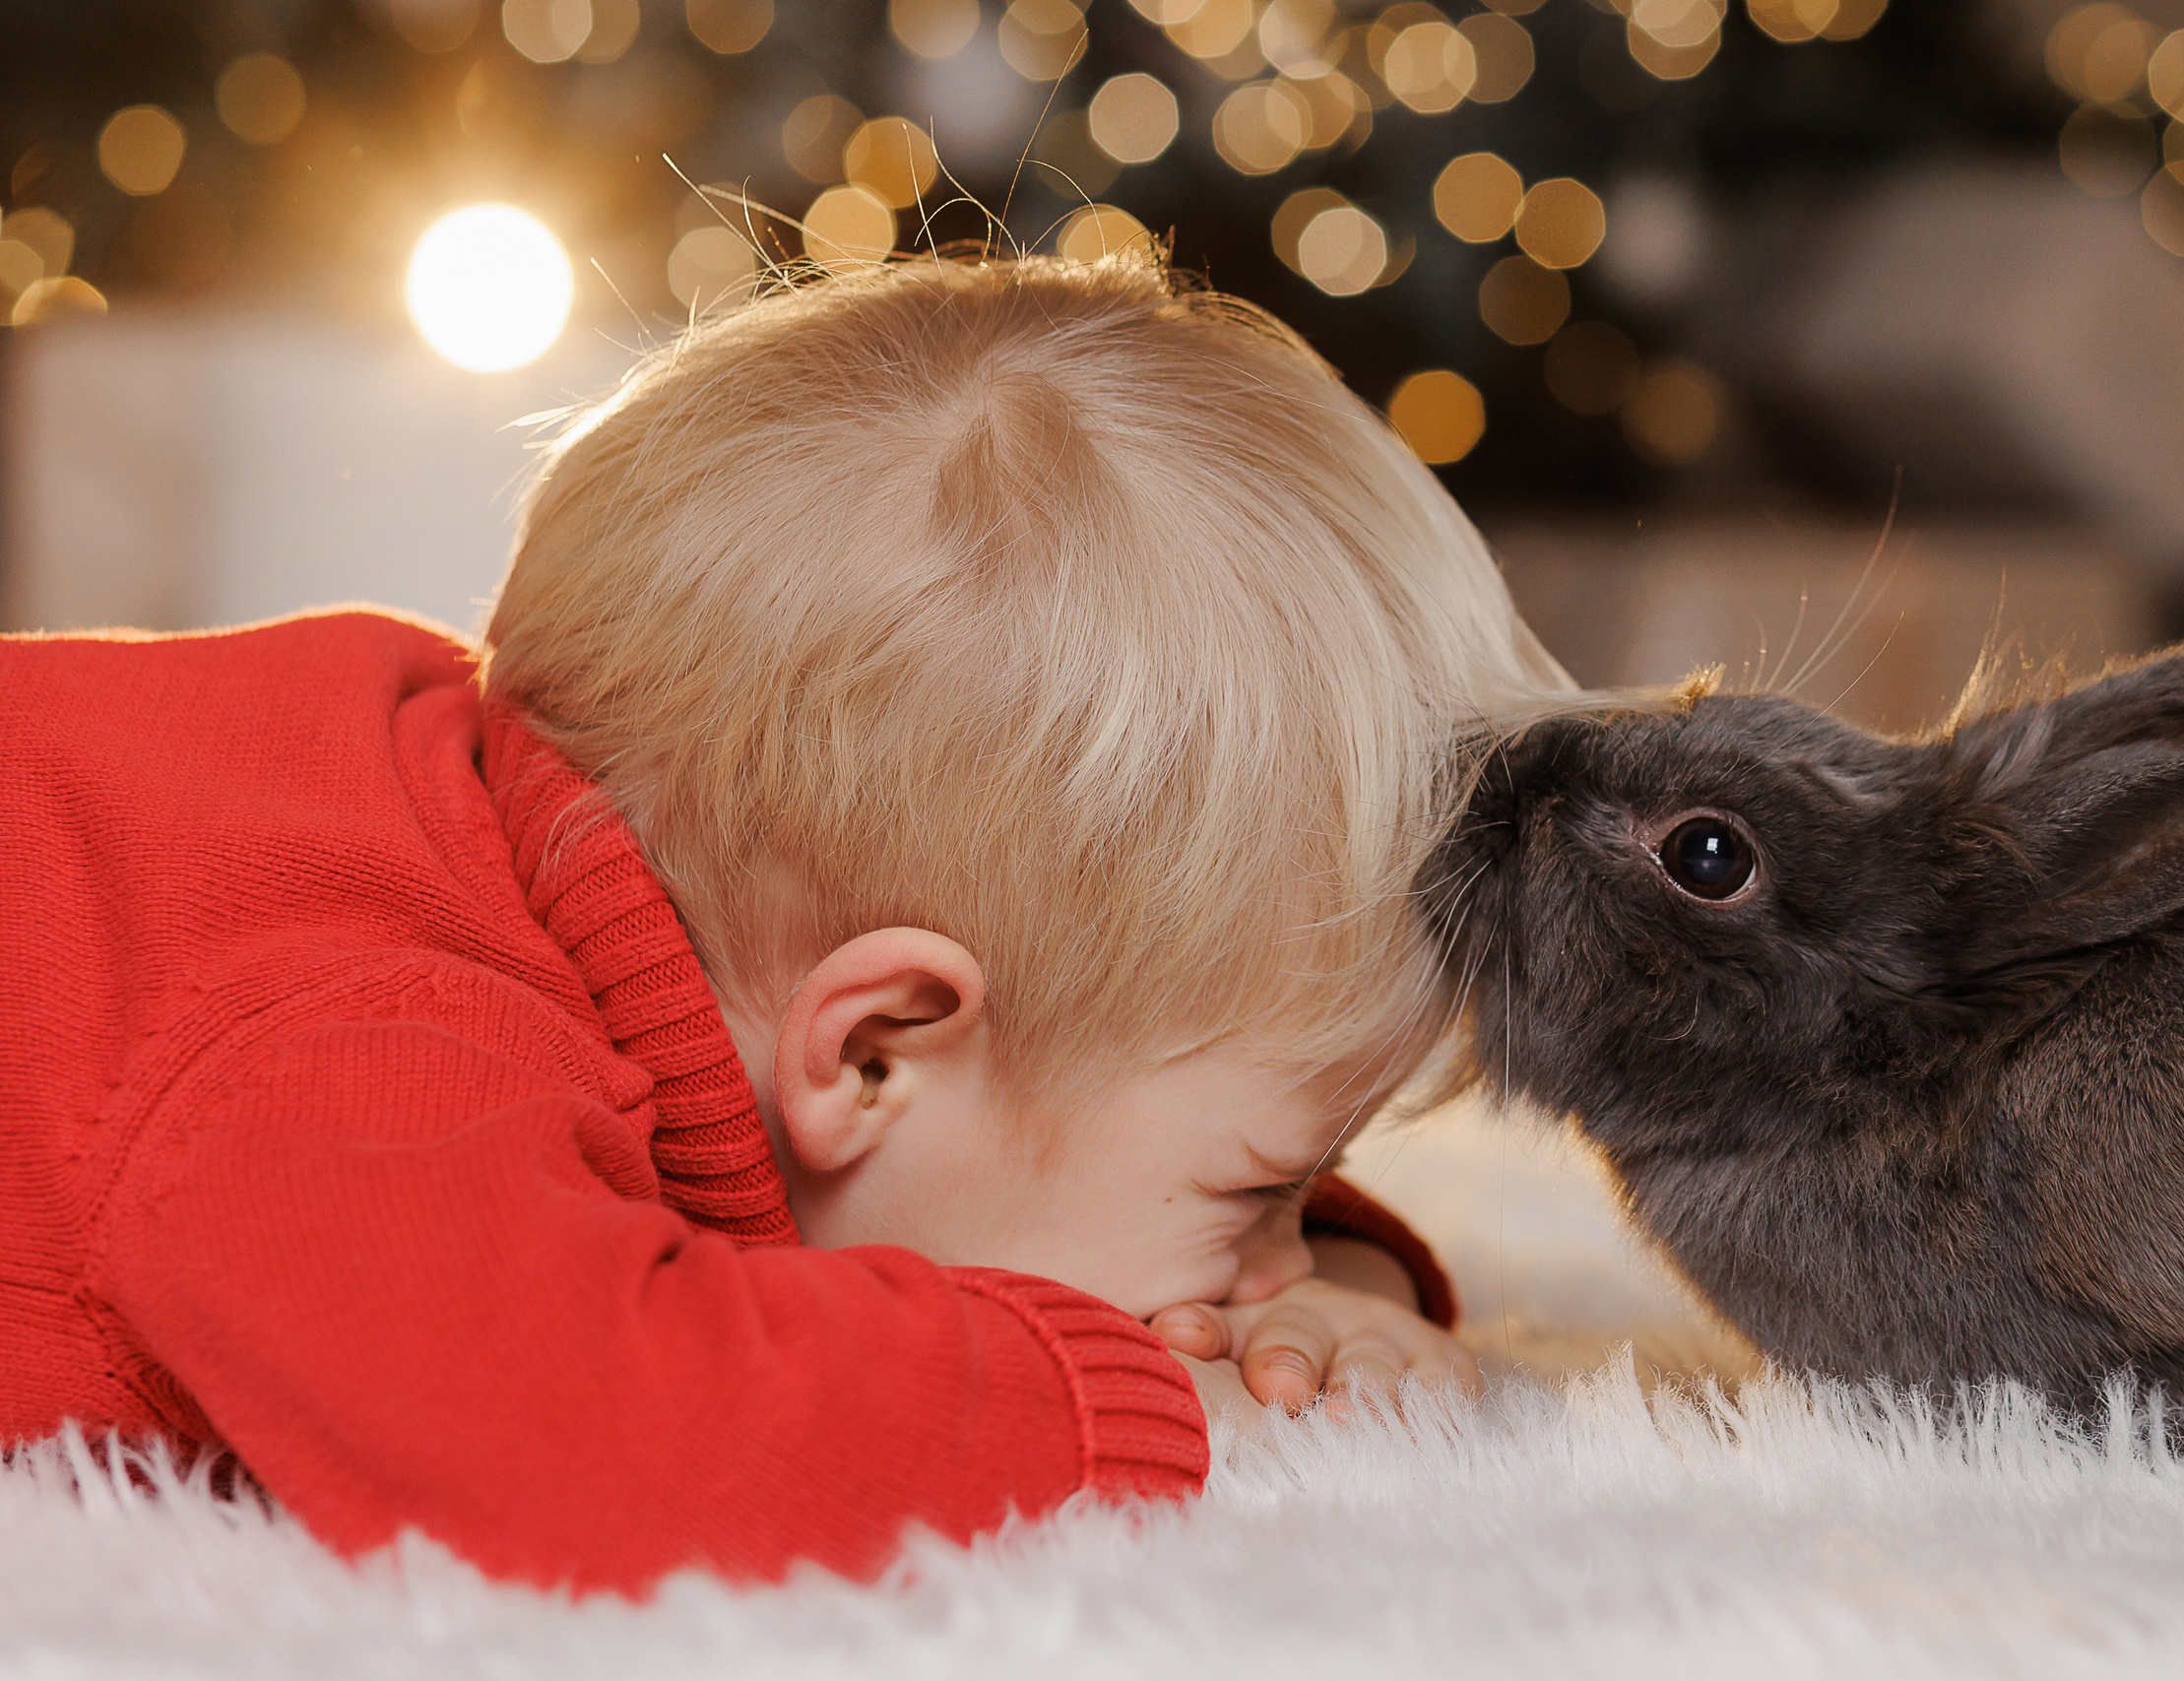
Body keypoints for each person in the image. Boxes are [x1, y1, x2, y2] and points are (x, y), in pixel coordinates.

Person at [0, 250, 1564, 1594]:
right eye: (1261, 1198)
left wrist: (1333, 1307)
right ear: (874, 1052)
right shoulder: (358, 1032)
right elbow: (601, 1450)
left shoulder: (590, 839)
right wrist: (1136, 1400)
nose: (1268, 1270)